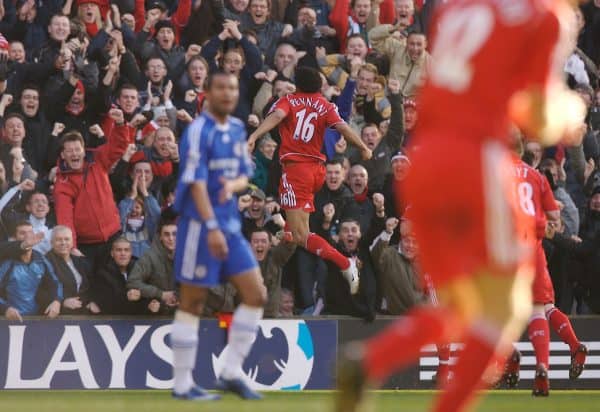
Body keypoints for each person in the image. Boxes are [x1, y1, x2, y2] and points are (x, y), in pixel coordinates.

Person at [335, 0, 587, 411]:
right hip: (477, 162)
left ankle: (368, 361)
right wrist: (570, 112)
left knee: (461, 305)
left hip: (425, 160)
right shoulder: (544, 15)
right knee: (505, 308)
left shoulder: (456, 7)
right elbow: (539, 116)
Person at [170, 71, 267, 401]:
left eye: (233, 88)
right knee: (193, 302)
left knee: (256, 294)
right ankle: (182, 383)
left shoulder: (238, 128)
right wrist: (211, 226)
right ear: (207, 92)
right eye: (221, 87)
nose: (228, 93)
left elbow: (244, 175)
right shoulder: (198, 131)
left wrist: (232, 185)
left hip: (231, 226)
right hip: (200, 225)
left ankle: (230, 371)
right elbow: (196, 183)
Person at [248, 66, 372, 295]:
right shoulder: (325, 104)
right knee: (293, 225)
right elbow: (343, 127)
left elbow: (276, 116)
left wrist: (255, 136)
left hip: (297, 170)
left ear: (298, 85)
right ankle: (288, 231)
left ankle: (346, 264)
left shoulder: (290, 100)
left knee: (300, 235)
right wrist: (363, 147)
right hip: (317, 172)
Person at [505, 156, 587, 395]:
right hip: (534, 246)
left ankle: (509, 355)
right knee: (541, 307)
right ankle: (557, 356)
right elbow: (553, 216)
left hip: (507, 246)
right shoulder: (536, 176)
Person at [0, 220, 62, 320]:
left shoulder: (41, 259)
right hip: (8, 321)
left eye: (30, 233)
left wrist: (56, 301)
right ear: (13, 238)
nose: (28, 237)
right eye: (22, 233)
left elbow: (55, 283)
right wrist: (5, 309)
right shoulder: (6, 262)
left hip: (38, 320)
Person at [45, 225, 99, 315]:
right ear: (51, 242)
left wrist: (93, 300)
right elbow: (40, 291)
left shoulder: (78, 259)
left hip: (85, 311)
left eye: (67, 239)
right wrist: (63, 302)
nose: (63, 243)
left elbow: (92, 283)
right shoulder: (46, 261)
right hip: (61, 315)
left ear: (72, 242)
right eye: (58, 239)